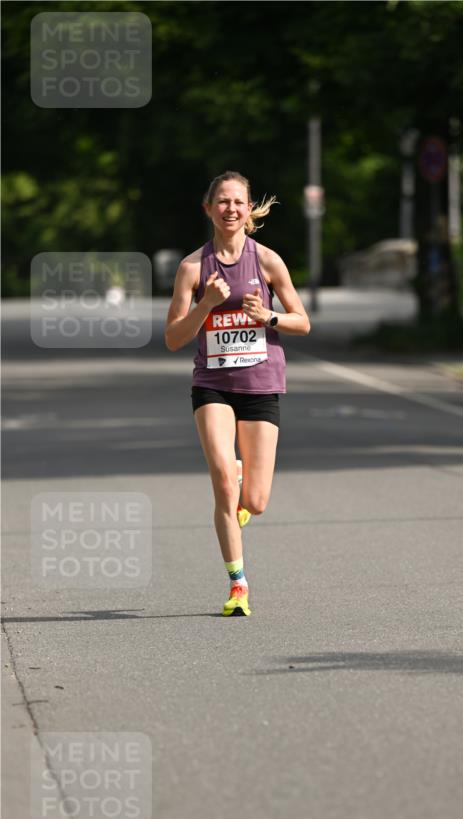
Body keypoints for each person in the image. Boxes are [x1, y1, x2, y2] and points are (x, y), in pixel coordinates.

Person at [165, 171, 310, 616]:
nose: (231, 209)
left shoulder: (267, 261)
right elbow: (173, 337)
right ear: (208, 209)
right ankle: (238, 585)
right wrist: (206, 304)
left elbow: (302, 321)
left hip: (261, 384)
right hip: (212, 384)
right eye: (222, 202)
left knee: (256, 502)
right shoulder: (193, 268)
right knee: (224, 484)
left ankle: (244, 480)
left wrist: (268, 316)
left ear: (249, 211)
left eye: (238, 202)